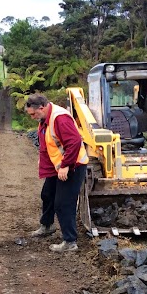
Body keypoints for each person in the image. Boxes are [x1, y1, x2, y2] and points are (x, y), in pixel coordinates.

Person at [25, 93, 88, 252]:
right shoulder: (45, 119)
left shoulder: (60, 118)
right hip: (59, 166)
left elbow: (74, 142)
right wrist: (44, 162)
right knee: (47, 194)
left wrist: (66, 165)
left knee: (63, 203)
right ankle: (47, 226)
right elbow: (48, 144)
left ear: (41, 108)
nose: (32, 117)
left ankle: (70, 242)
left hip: (73, 165)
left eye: (33, 114)